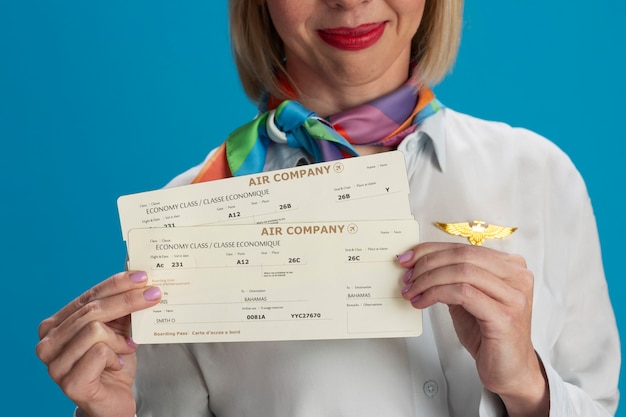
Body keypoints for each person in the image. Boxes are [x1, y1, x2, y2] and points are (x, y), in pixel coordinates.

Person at [36, 0, 621, 416]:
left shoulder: (540, 173)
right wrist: (108, 416)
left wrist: (527, 386)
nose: (350, 1)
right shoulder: (187, 216)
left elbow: (596, 400)